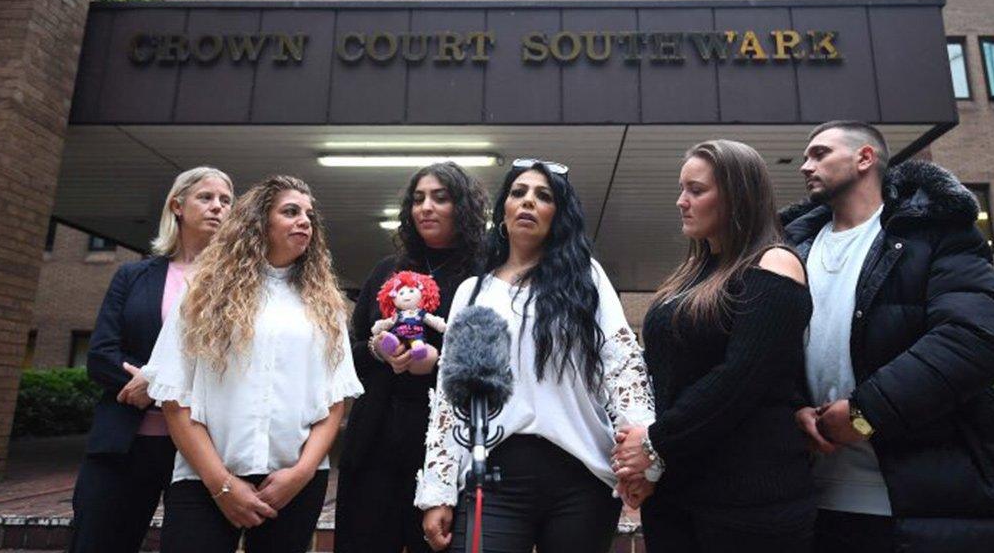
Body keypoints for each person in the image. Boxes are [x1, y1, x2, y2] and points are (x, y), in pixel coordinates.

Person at [783, 121, 994, 552]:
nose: (804, 166)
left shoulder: (935, 232)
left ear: (864, 158)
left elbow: (978, 338)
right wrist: (793, 405)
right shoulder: (791, 250)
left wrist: (863, 414)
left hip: (920, 503)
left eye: (819, 154)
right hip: (814, 502)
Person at [416, 158, 660, 553]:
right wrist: (438, 490)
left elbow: (623, 368)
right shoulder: (472, 293)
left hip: (580, 480)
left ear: (557, 215)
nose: (528, 202)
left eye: (543, 196)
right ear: (504, 211)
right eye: (518, 193)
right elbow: (450, 400)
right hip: (493, 477)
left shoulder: (587, 279)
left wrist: (643, 457)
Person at [141, 175, 364, 553]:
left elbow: (335, 400)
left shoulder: (325, 303)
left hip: (294, 482)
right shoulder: (202, 295)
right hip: (204, 480)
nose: (305, 222)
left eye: (309, 215)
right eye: (290, 212)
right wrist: (222, 485)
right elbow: (175, 397)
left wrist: (301, 473)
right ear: (259, 222)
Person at [613, 140, 816, 553]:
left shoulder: (775, 264)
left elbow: (737, 381)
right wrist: (647, 462)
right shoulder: (694, 273)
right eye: (682, 189)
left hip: (748, 500)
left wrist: (653, 442)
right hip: (678, 491)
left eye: (696, 190)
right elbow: (664, 377)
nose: (681, 201)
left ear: (739, 194)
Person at [70, 166, 233, 553]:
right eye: (206, 198)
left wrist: (156, 384)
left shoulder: (235, 285)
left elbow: (231, 366)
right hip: (123, 444)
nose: (217, 208)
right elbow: (101, 355)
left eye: (226, 201)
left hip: (198, 450)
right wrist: (153, 385)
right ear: (177, 206)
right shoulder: (133, 275)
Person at [334, 161, 488, 553]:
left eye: (440, 198)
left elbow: (495, 361)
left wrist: (439, 360)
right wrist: (377, 352)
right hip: (374, 443)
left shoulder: (485, 276)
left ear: (463, 208)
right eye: (418, 199)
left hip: (444, 451)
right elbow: (347, 354)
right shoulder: (387, 270)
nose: (426, 208)